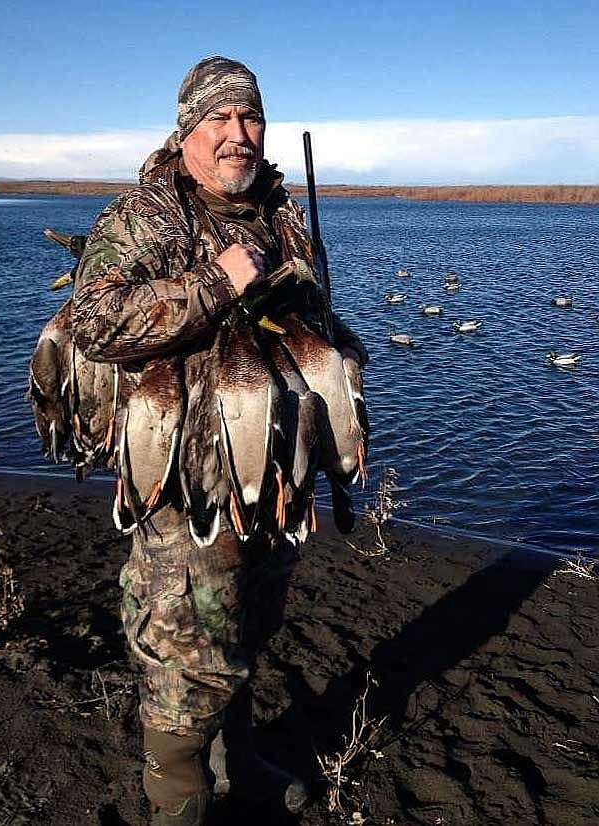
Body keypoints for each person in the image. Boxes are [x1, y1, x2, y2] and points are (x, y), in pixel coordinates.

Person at [70, 56, 368, 825]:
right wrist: (217, 282)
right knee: (184, 646)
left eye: (250, 118)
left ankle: (239, 763)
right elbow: (95, 323)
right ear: (187, 129)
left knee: (250, 622)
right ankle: (178, 798)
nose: (238, 136)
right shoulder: (144, 215)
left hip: (272, 471)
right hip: (181, 478)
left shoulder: (277, 208)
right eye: (219, 120)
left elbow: (303, 312)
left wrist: (339, 351)